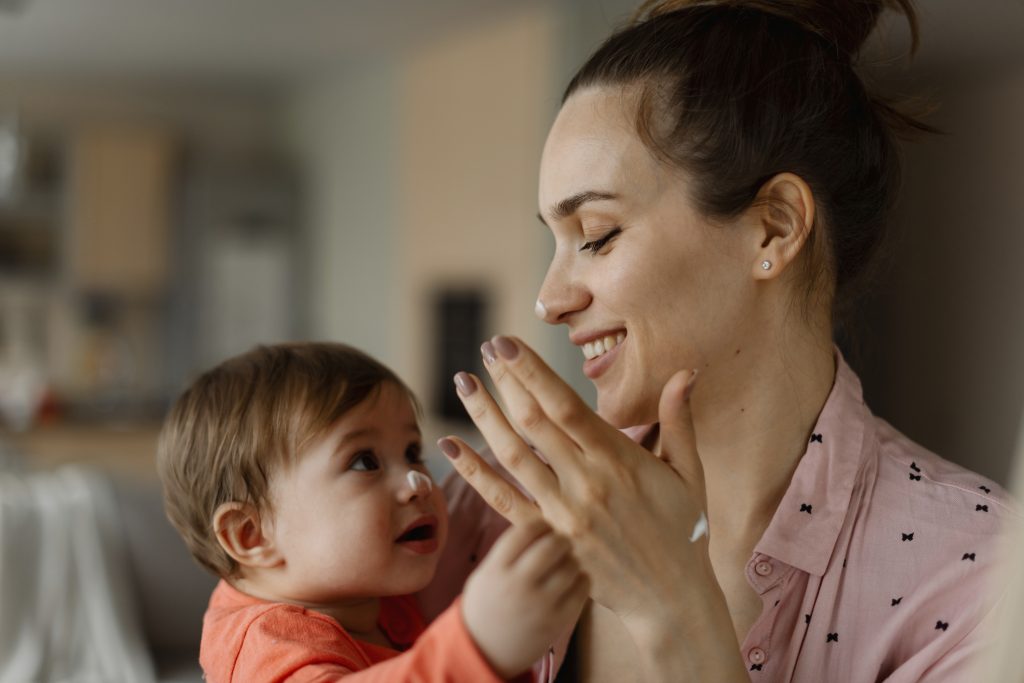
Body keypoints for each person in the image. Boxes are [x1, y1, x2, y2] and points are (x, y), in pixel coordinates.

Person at [421, 1, 1022, 681]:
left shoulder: (982, 578)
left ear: (772, 228)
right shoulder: (491, 512)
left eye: (596, 234)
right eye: (554, 242)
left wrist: (675, 607)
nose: (550, 300)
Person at [156, 342, 588, 682]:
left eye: (413, 453)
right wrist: (477, 646)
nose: (419, 482)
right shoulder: (267, 643)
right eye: (365, 461)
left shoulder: (375, 597)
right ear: (253, 534)